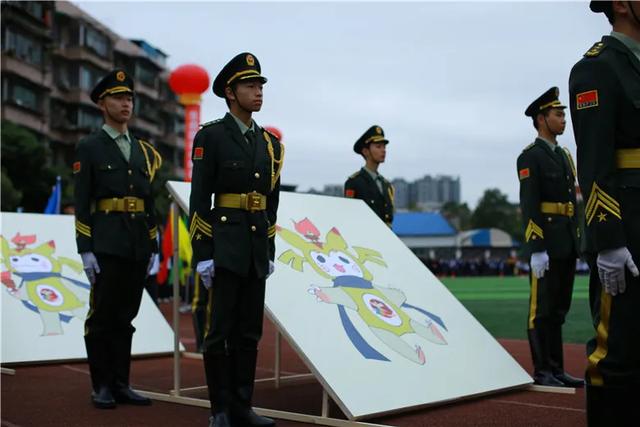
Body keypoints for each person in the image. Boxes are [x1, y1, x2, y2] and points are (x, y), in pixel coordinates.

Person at [189, 52, 284, 427]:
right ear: (230, 92)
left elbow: (271, 204)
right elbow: (199, 199)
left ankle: (243, 406)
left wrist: (270, 248)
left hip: (255, 247)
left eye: (260, 85)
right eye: (250, 86)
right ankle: (220, 410)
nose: (258, 92)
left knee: (249, 332)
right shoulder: (211, 136)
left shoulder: (269, 143)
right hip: (224, 245)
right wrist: (203, 253)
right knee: (219, 332)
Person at [569, 1, 640, 424]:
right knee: (617, 355)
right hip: (628, 225)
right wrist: (609, 241)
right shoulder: (597, 68)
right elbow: (595, 163)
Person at [73, 69, 162, 409]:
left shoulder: (142, 150)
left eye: (129, 98)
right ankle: (102, 386)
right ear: (101, 103)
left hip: (137, 242)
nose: (126, 103)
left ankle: (122, 384)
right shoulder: (90, 146)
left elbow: (148, 199)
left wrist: (153, 242)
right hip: (106, 242)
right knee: (102, 318)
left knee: (127, 316)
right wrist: (86, 249)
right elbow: (82, 202)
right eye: (118, 98)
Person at [516, 87, 583, 388]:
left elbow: (572, 201)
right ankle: (542, 370)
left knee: (558, 309)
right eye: (558, 114)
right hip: (546, 243)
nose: (563, 120)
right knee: (540, 310)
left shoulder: (565, 155)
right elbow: (529, 205)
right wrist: (536, 247)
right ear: (542, 119)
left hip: (566, 240)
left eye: (564, 114)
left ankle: (557, 369)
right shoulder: (531, 157)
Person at [344, 125, 395, 226]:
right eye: (378, 146)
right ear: (365, 151)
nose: (383, 150)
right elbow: (349, 218)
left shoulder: (388, 186)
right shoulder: (354, 182)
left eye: (384, 147)